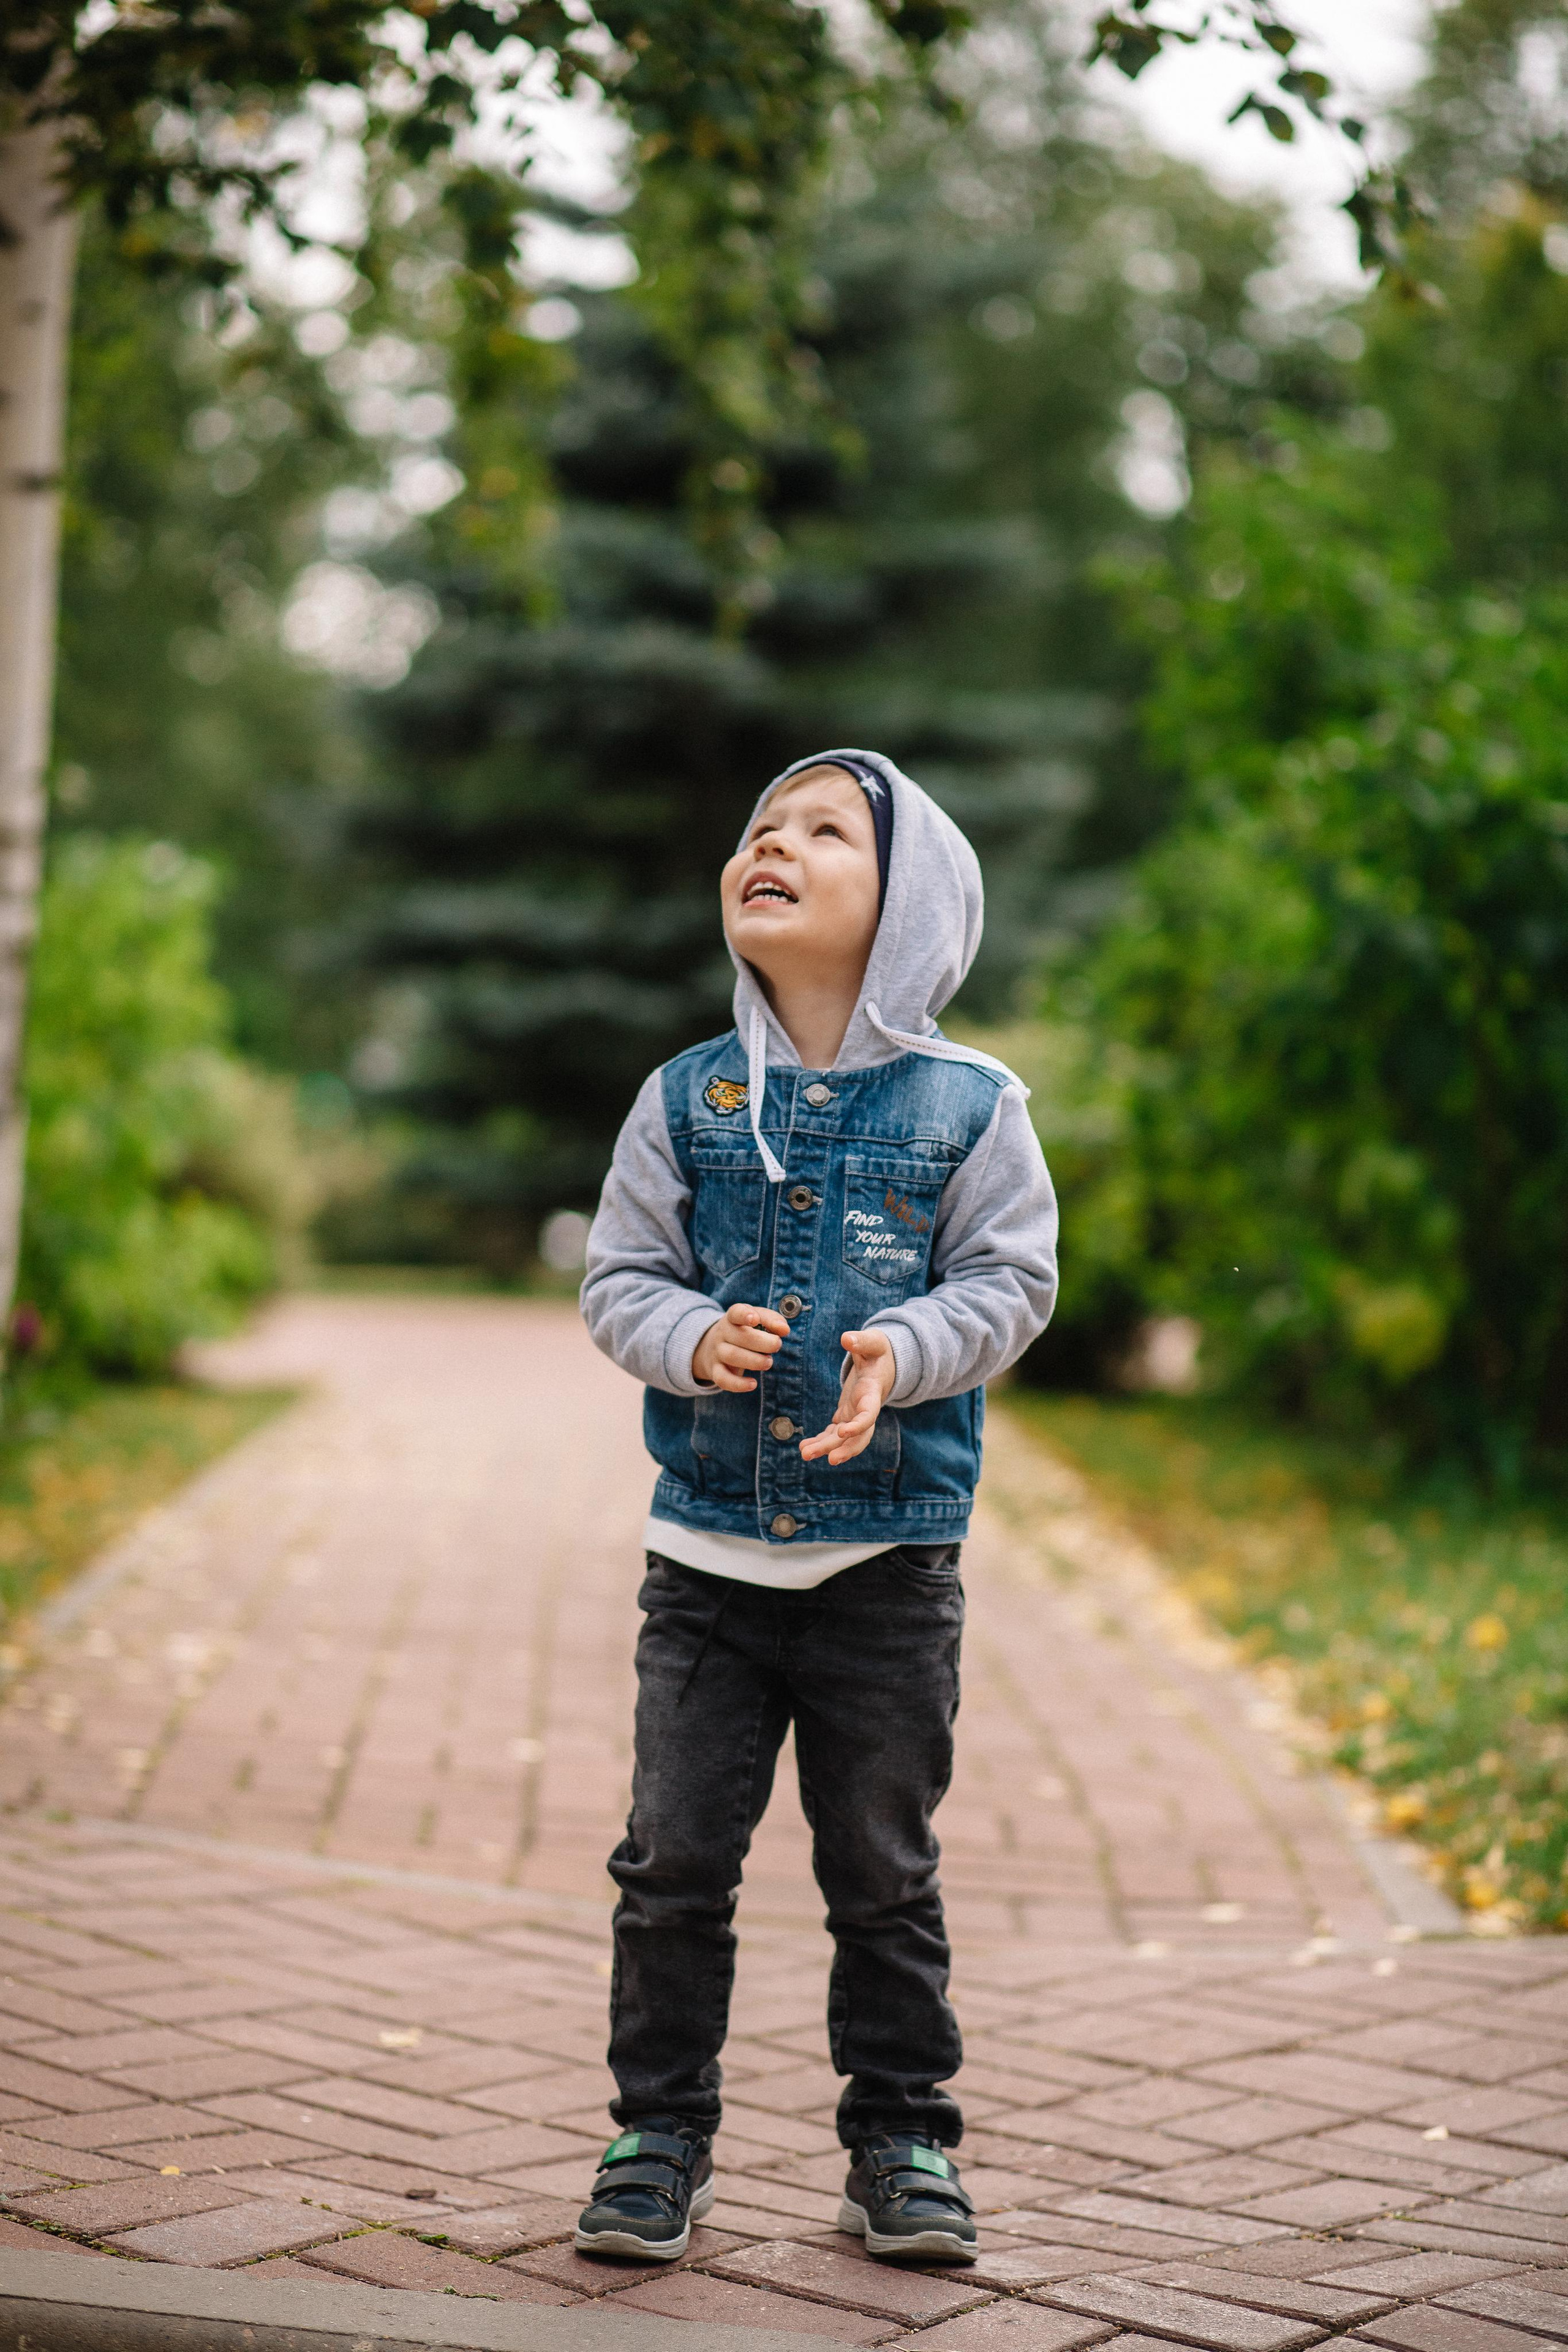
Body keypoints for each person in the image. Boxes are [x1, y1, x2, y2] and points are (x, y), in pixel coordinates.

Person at [576, 749, 1058, 2267]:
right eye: (758, 829)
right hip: (704, 1564)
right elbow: (618, 1280)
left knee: (881, 1872)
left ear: (904, 904)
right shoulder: (684, 1098)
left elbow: (1011, 1283)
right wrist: (685, 1338)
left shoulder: (969, 1107)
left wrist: (904, 1349)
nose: (770, 844)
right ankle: (657, 2135)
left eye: (821, 831)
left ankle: (901, 2137)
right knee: (670, 1868)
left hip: (885, 1570)